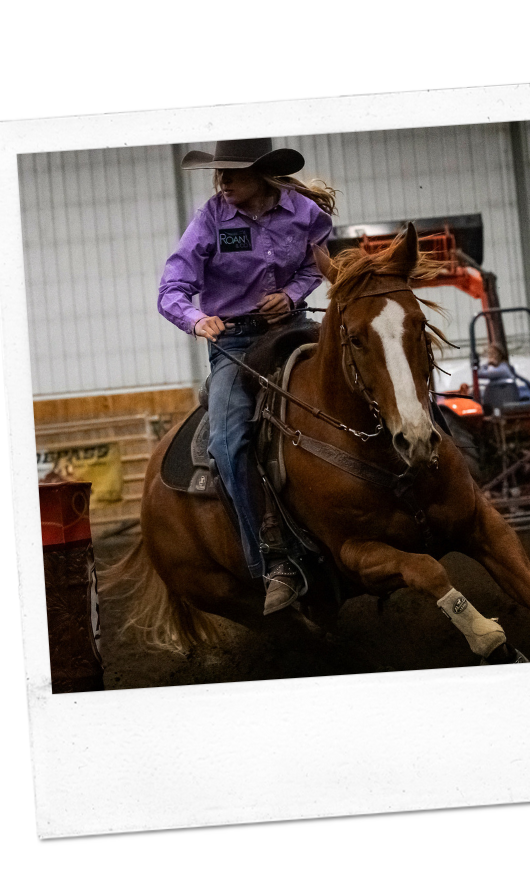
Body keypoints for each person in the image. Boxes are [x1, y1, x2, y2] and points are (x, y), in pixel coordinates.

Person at [157, 138, 336, 615]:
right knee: (226, 441)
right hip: (235, 345)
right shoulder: (211, 219)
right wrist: (197, 319)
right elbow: (171, 288)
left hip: (295, 328)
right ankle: (272, 557)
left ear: (261, 175)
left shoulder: (305, 214)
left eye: (232, 173)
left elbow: (315, 265)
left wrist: (292, 293)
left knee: (364, 377)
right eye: (219, 173)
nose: (222, 181)